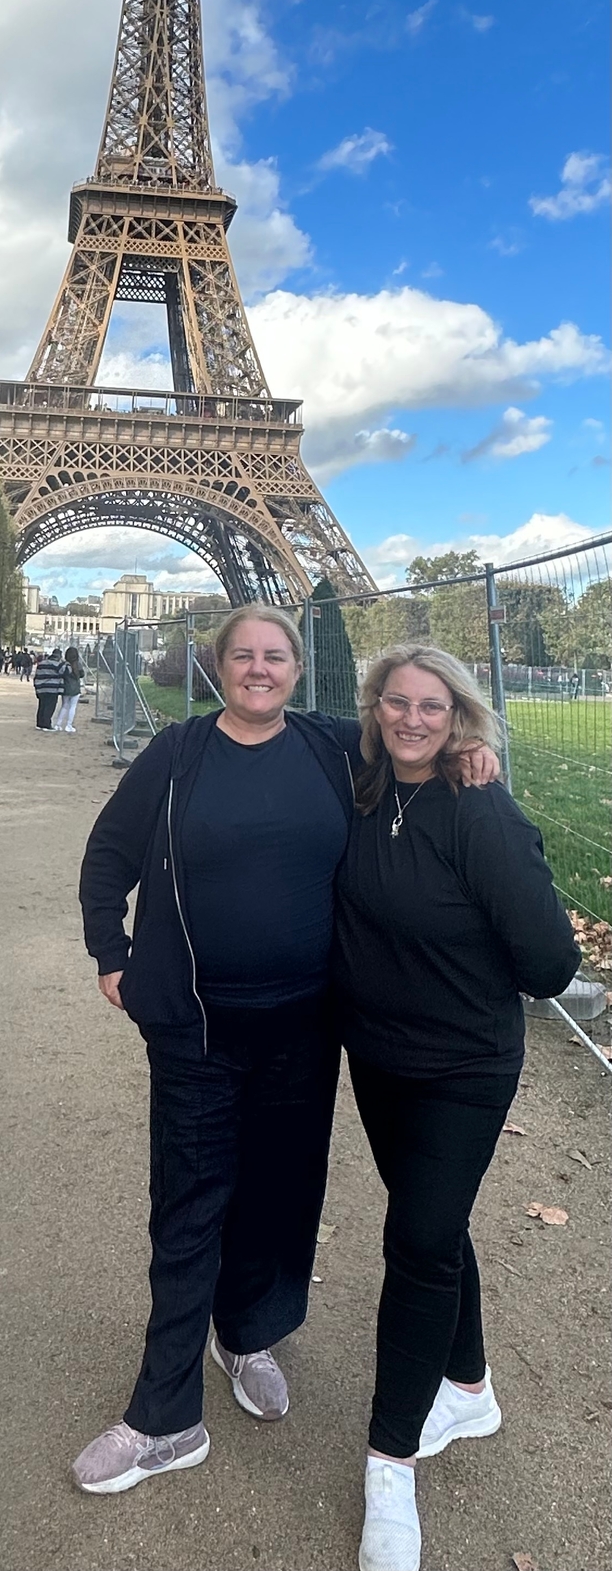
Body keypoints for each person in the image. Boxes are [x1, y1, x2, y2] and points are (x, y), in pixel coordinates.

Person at [73, 606, 498, 1502]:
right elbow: (108, 854)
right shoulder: (178, 753)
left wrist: (468, 751)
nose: (259, 669)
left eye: (275, 655)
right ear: (218, 665)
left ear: (298, 669)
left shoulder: (333, 747)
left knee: (279, 1195)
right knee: (188, 1207)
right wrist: (111, 952)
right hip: (196, 1027)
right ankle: (165, 1414)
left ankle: (248, 1331)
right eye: (244, 655)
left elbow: (414, 743)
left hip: (305, 1027)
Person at [331, 643, 580, 1571]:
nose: (411, 719)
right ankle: (468, 1387)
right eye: (395, 702)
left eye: (432, 706)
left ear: (460, 715)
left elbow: (550, 962)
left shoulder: (479, 807)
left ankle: (390, 1462)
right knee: (431, 1227)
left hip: (463, 1067)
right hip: (379, 1058)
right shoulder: (361, 786)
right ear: (374, 708)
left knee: (417, 1241)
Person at [53, 644, 83, 732]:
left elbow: (60, 674)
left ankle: (58, 724)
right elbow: (82, 674)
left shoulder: (64, 665)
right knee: (73, 707)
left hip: (65, 687)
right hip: (75, 688)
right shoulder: (78, 665)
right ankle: (69, 725)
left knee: (64, 706)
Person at [33, 646, 64, 728]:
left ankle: (39, 723)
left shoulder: (41, 664)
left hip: (41, 688)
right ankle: (46, 724)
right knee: (50, 707)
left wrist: (37, 688)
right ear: (59, 656)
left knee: (42, 706)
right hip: (52, 689)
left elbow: (36, 676)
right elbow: (65, 672)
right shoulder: (58, 665)